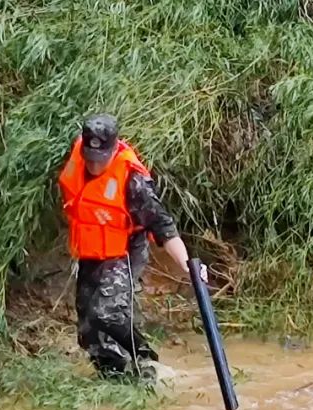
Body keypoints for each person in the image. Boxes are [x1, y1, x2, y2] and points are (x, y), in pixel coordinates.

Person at [58, 113, 207, 380]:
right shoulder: (79, 152)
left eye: (100, 160)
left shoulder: (133, 182)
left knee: (108, 312)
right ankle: (113, 375)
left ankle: (146, 358)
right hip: (90, 251)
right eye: (90, 159)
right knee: (88, 328)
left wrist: (187, 266)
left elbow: (163, 226)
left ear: (114, 149)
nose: (94, 166)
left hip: (124, 250)